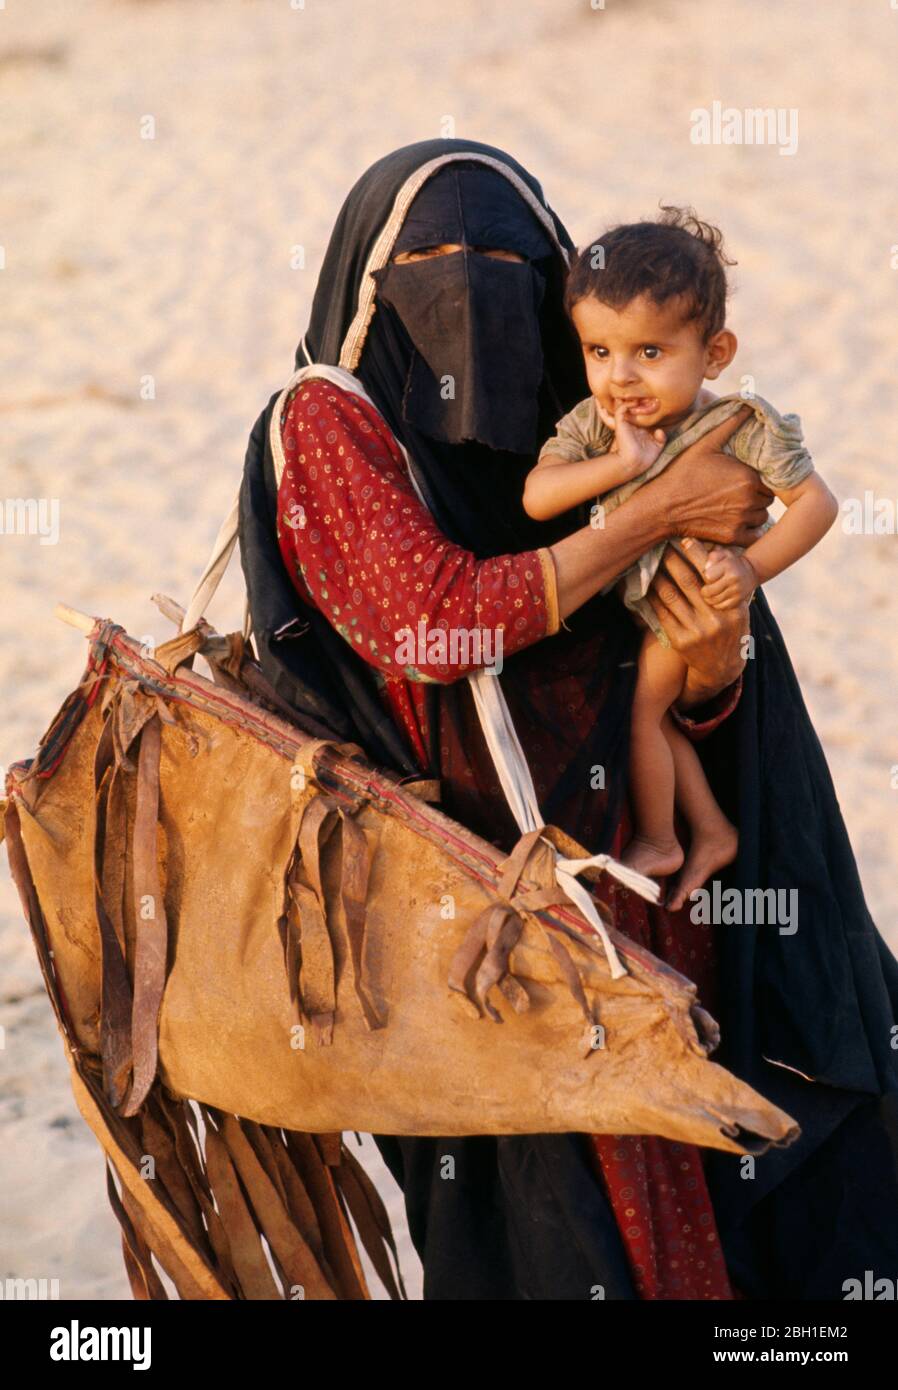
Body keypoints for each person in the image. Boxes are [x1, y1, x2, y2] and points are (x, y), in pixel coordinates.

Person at [239, 139, 898, 1300]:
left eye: (502, 261)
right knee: (549, 1220)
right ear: (367, 280)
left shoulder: (590, 405)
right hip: (474, 900)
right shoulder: (328, 426)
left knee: (706, 1185)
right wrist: (647, 516)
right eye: (432, 261)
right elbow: (435, 621)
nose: (470, 291)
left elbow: (687, 650)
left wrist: (703, 664)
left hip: (640, 891)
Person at [524, 208, 839, 905]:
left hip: (692, 605)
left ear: (716, 354)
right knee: (660, 717)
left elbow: (817, 506)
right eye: (599, 353)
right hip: (646, 611)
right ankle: (711, 827)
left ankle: (663, 839)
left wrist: (752, 570)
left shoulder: (737, 429)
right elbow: (538, 498)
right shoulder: (595, 425)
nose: (622, 379)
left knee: (643, 713)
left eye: (650, 353)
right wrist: (617, 465)